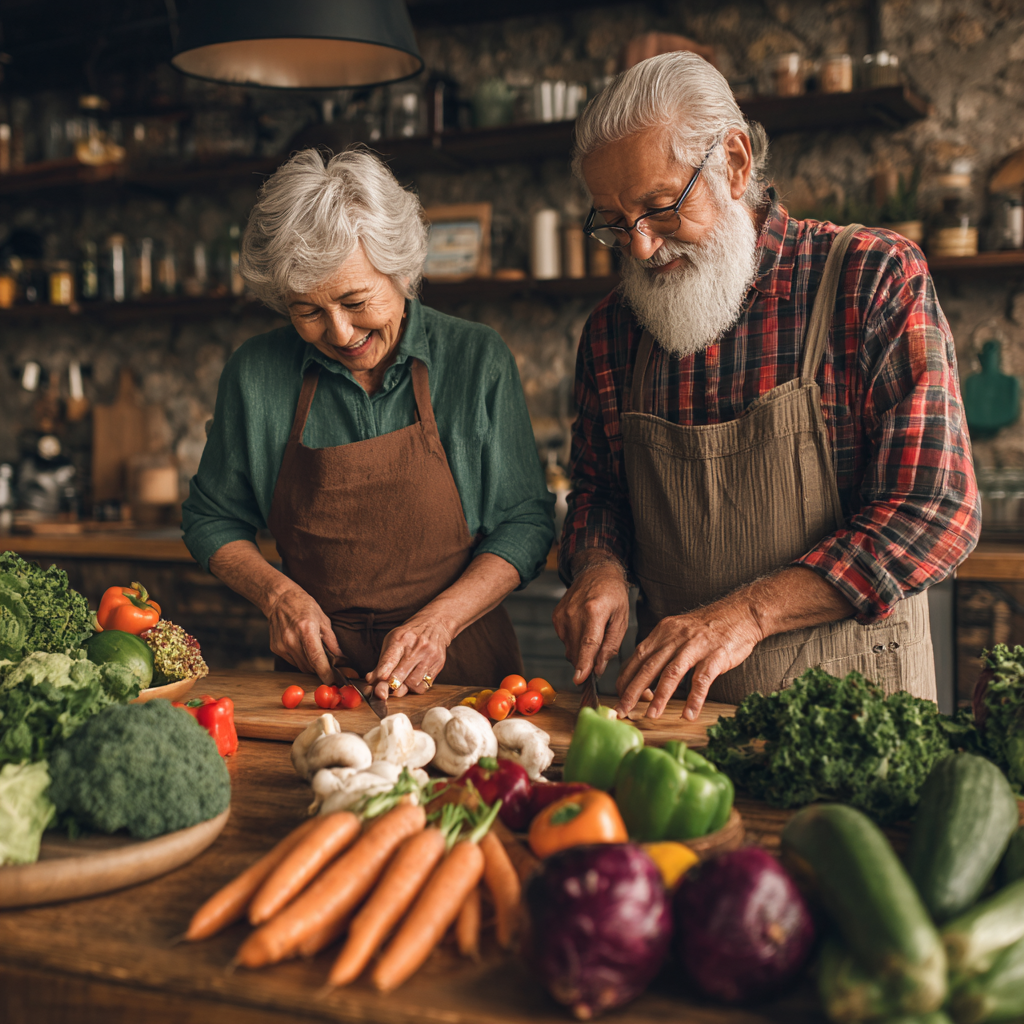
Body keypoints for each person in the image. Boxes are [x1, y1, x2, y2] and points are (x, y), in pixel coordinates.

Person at [553, 51, 980, 723]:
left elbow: (932, 512)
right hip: (676, 732)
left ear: (735, 161)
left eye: (660, 208)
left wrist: (746, 615)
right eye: (612, 221)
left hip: (857, 719)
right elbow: (599, 492)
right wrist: (598, 566)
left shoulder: (871, 279)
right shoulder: (614, 329)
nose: (639, 249)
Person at [182, 148, 553, 701]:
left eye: (356, 300)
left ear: (400, 270)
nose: (340, 332)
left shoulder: (476, 358)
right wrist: (278, 597)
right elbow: (211, 518)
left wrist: (439, 623)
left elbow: (525, 522)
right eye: (307, 311)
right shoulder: (255, 374)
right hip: (321, 684)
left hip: (463, 673)